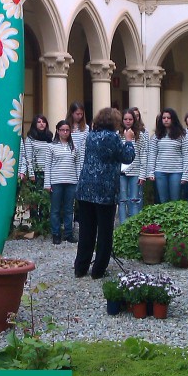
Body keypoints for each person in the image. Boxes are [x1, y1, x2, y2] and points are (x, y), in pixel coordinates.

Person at [74, 107, 135, 279]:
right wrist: (129, 141)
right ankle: (98, 269)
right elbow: (127, 157)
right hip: (104, 191)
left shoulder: (90, 136)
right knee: (105, 231)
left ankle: (81, 267)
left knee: (86, 230)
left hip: (86, 188)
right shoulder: (113, 137)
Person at [44, 120, 79, 244]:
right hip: (56, 181)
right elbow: (47, 165)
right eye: (62, 130)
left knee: (69, 209)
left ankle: (69, 233)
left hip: (71, 181)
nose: (65, 132)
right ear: (58, 131)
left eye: (67, 130)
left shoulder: (74, 147)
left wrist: (78, 181)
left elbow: (78, 165)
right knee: (56, 209)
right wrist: (47, 183)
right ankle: (56, 233)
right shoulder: (51, 146)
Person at [147, 108, 188, 203]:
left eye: (168, 118)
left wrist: (185, 175)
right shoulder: (156, 136)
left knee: (175, 200)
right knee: (163, 201)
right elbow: (152, 154)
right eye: (164, 118)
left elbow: (186, 155)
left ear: (173, 119)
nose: (166, 120)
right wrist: (151, 172)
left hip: (177, 172)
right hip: (160, 172)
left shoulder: (181, 135)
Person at [19, 115, 52, 227]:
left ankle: (44, 223)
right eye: (39, 122)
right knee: (34, 199)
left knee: (46, 198)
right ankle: (34, 223)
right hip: (36, 173)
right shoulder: (30, 139)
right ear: (35, 124)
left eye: (43, 121)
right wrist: (31, 174)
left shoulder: (49, 137)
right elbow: (28, 157)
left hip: (48, 172)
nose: (42, 124)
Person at [118, 108, 146, 223]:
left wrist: (142, 175)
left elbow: (143, 155)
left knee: (134, 199)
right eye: (125, 119)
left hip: (135, 171)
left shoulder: (139, 136)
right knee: (122, 200)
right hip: (121, 172)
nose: (128, 121)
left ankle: (133, 225)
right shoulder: (118, 135)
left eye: (130, 119)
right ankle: (123, 226)